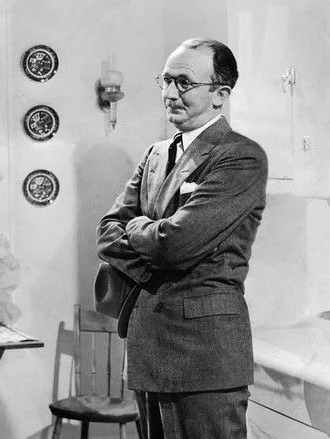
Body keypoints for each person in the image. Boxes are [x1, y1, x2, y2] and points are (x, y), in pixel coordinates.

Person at [96, 38, 268, 438]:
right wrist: (156, 238)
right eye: (166, 80)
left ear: (220, 94)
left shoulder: (240, 157)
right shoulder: (155, 155)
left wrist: (138, 227)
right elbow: (106, 232)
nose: (170, 93)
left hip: (205, 356)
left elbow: (175, 244)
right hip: (148, 348)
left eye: (184, 83)